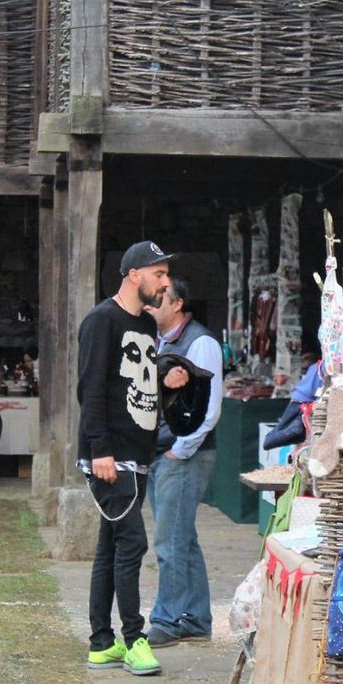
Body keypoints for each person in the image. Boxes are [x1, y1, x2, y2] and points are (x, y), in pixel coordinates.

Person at [78, 240, 189, 676]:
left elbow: (137, 384)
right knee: (133, 543)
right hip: (111, 458)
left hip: (137, 454)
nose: (165, 282)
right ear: (133, 275)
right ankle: (134, 637)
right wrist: (100, 450)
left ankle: (101, 642)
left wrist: (167, 380)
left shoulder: (146, 326)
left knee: (110, 547)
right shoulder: (101, 321)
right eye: (158, 274)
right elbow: (91, 390)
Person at [145, 277, 224, 648]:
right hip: (167, 451)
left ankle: (168, 618)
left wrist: (182, 448)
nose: (151, 304)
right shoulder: (160, 342)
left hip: (184, 453)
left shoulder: (201, 343)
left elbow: (209, 407)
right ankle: (196, 616)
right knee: (182, 537)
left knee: (169, 540)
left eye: (159, 298)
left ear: (177, 304)